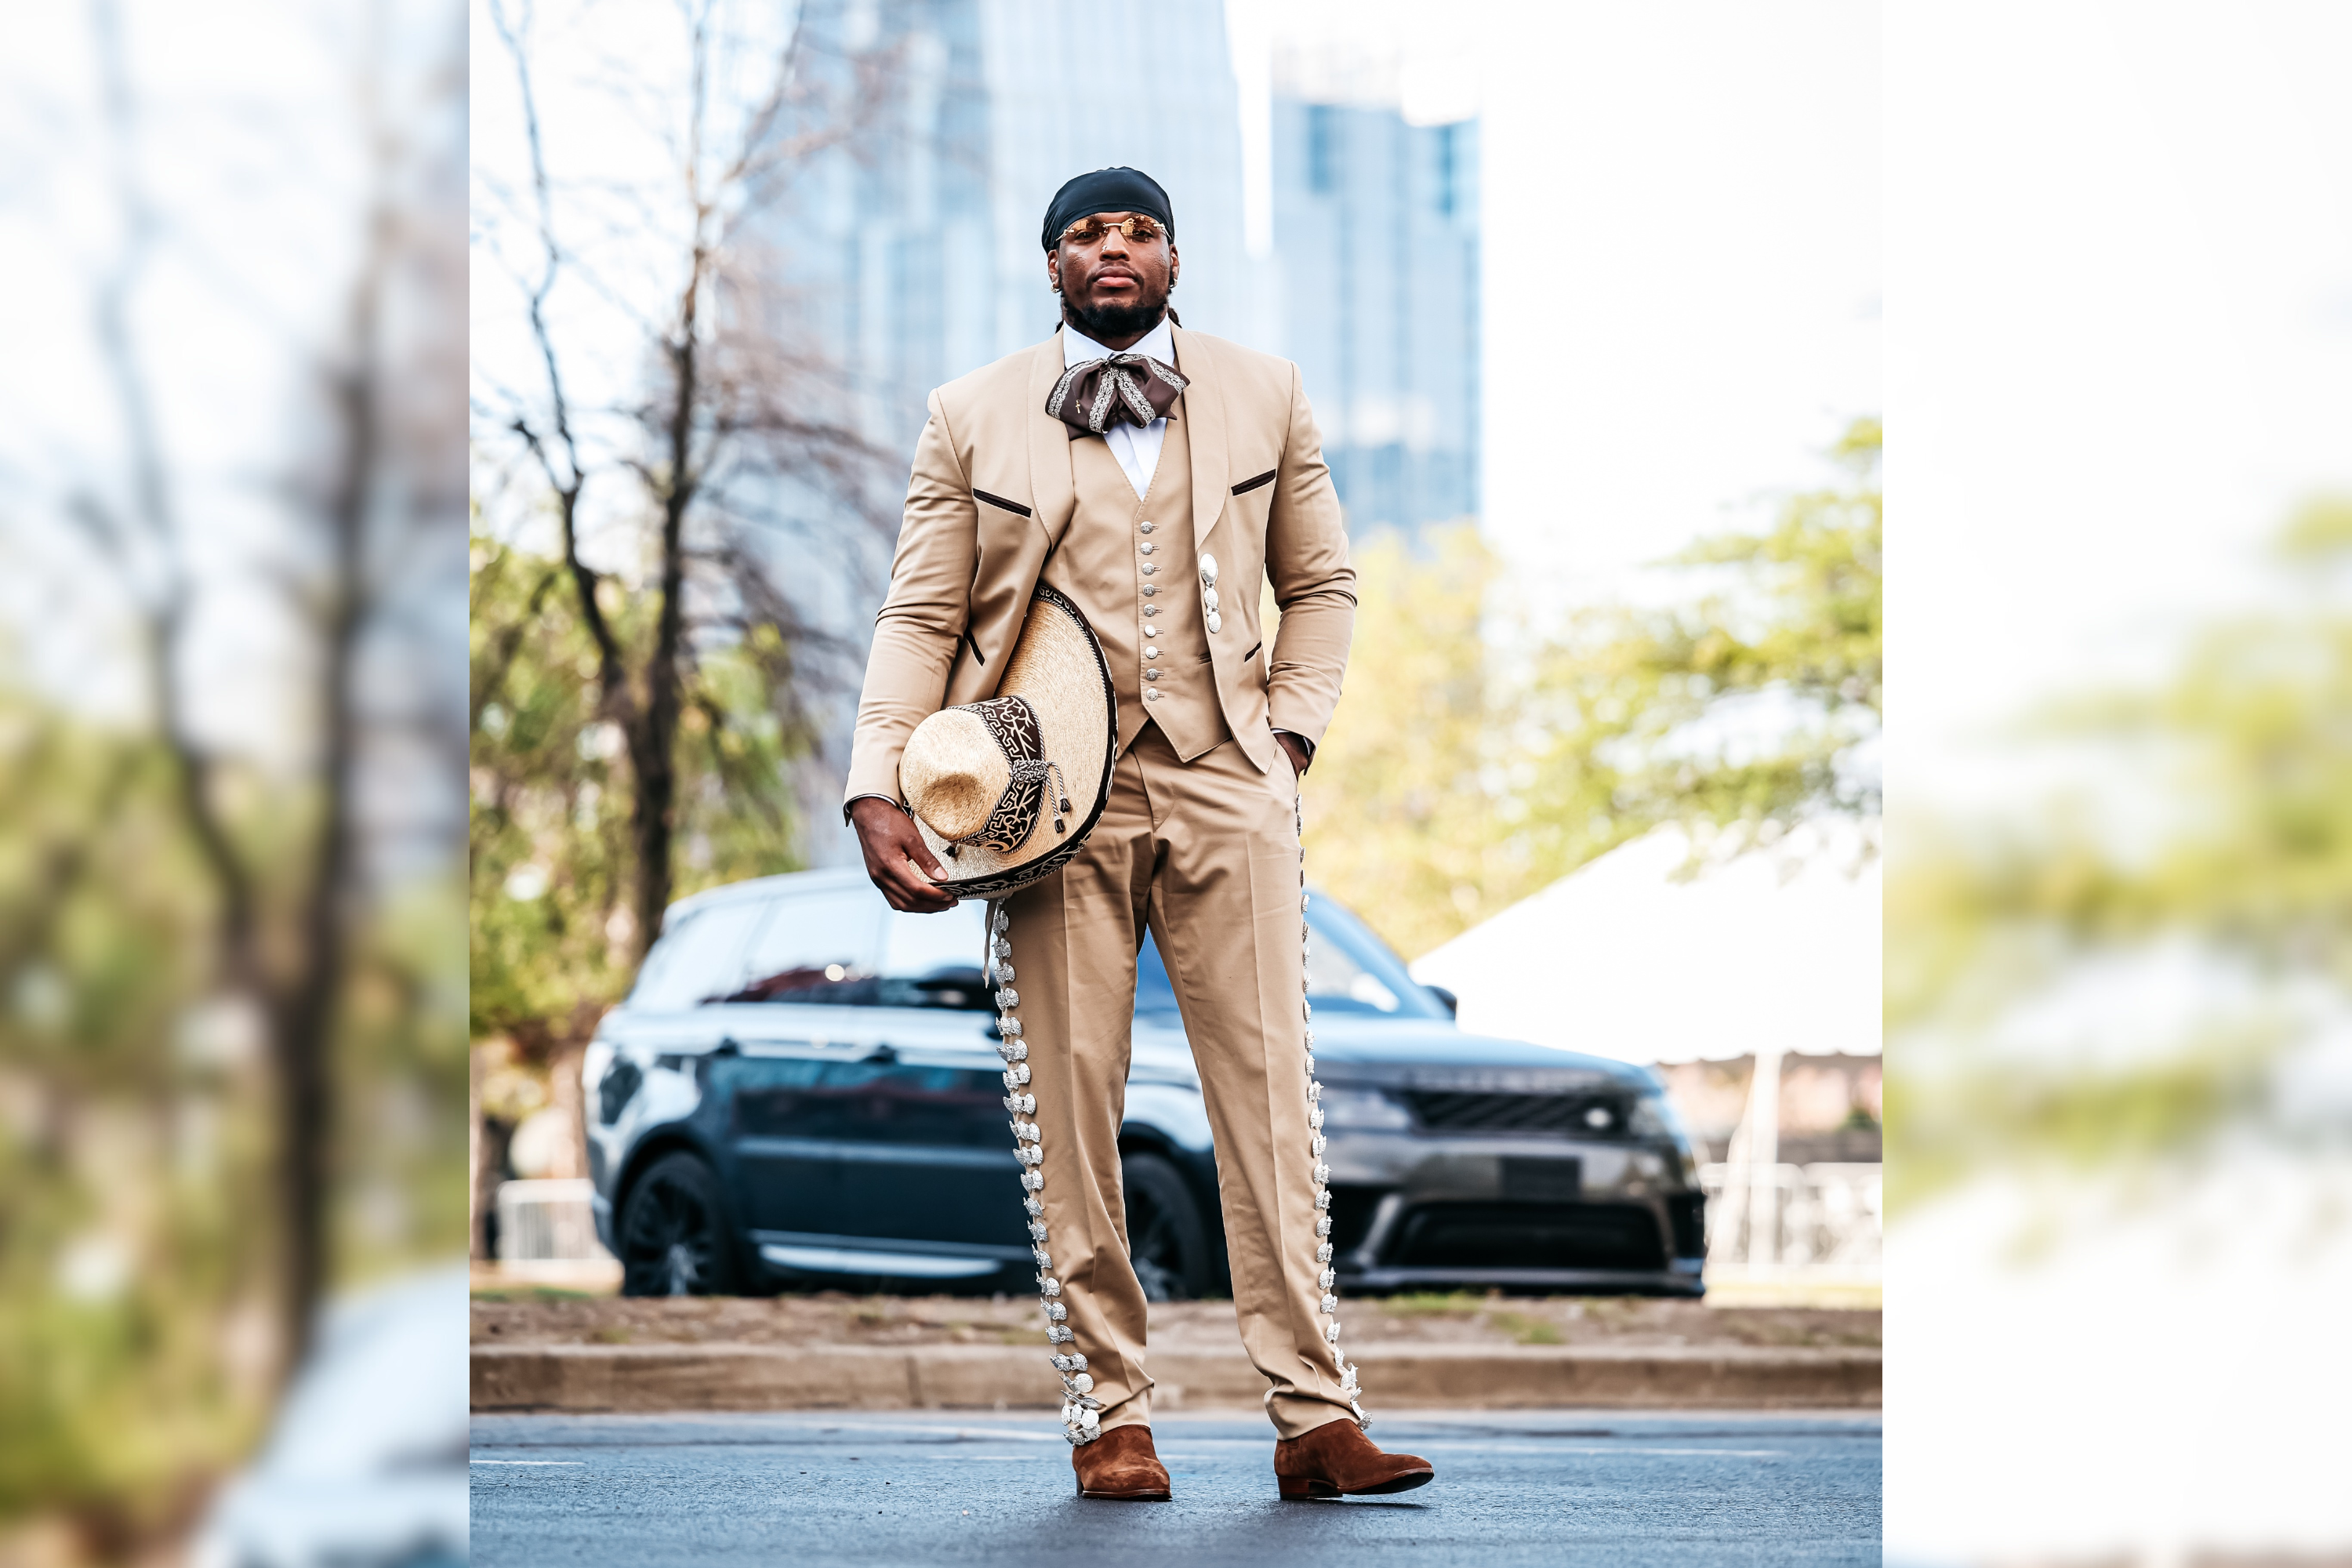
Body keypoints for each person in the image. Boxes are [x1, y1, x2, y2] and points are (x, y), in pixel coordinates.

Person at [844, 166, 1434, 1504]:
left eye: (1139, 231)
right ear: (1050, 264)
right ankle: (1110, 1412)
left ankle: (1315, 1414)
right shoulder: (969, 414)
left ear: (1175, 257)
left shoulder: (1264, 389)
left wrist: (1288, 735)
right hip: (1046, 799)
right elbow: (920, 619)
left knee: (1271, 1100)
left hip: (1233, 776)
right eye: (1086, 235)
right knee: (1071, 1102)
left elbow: (1322, 581)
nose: (1114, 250)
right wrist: (878, 785)